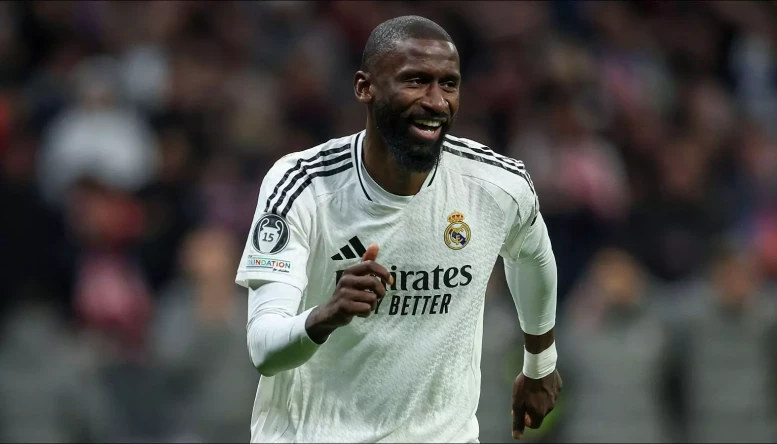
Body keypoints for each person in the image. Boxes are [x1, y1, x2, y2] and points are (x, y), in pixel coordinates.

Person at [236, 15, 561, 443]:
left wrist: (540, 365)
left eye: (449, 84)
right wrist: (325, 316)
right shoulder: (302, 185)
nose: (436, 101)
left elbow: (532, 254)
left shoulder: (496, 185)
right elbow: (264, 348)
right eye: (416, 81)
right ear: (364, 87)